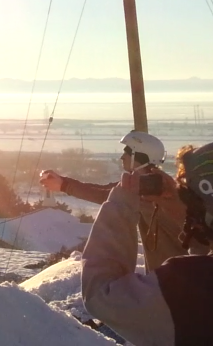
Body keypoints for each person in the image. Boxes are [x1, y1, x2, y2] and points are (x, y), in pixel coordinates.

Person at [81, 142, 213, 346]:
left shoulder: (190, 284)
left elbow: (101, 294)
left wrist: (121, 201)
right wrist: (183, 210)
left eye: (187, 195)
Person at [39, 131, 187, 270]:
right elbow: (104, 189)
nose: (122, 157)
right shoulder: (146, 184)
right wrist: (63, 182)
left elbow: (105, 196)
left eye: (127, 152)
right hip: (167, 275)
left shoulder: (153, 191)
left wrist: (64, 186)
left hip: (176, 277)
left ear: (137, 156)